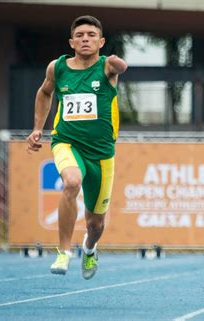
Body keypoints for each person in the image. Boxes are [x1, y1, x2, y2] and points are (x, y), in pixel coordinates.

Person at [27, 15, 127, 279]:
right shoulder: (57, 68)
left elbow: (120, 67)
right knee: (71, 182)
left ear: (101, 41)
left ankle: (89, 248)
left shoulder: (106, 68)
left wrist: (119, 64)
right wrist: (38, 128)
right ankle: (63, 252)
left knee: (96, 223)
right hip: (67, 143)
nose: (85, 39)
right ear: (72, 41)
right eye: (80, 35)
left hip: (102, 153)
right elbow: (45, 92)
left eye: (91, 35)